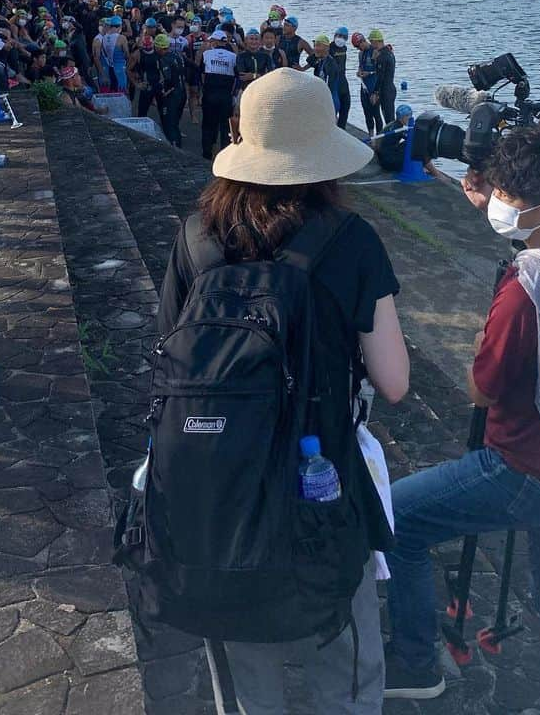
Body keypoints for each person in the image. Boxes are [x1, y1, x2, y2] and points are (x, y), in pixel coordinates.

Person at [156, 69, 411, 713]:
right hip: (317, 478)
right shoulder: (351, 241)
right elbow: (395, 381)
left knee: (246, 657)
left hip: (218, 485)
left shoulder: (195, 238)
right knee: (343, 655)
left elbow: (168, 354)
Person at [384, 128, 540, 711]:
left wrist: (485, 336)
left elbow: (480, 392)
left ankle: (413, 664)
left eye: (509, 195)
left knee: (396, 522)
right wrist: (490, 200)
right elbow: (539, 251)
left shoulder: (521, 293)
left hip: (524, 471)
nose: (499, 203)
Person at [199, 29, 237, 160]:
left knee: (208, 125)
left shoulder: (207, 54)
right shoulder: (233, 57)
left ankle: (206, 154)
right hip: (226, 96)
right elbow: (237, 76)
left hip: (210, 95)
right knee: (225, 127)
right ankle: (225, 155)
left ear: (215, 42)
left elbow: (201, 73)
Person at [153, 33, 187, 147]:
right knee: (175, 124)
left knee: (169, 125)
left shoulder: (164, 59)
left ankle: (174, 149)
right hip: (182, 93)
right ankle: (179, 147)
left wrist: (165, 91)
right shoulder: (177, 55)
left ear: (159, 47)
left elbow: (167, 79)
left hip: (172, 96)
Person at [354, 32, 382, 136]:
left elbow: (381, 71)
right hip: (364, 87)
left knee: (376, 113)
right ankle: (371, 136)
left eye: (358, 46)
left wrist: (369, 73)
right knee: (367, 113)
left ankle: (379, 137)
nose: (358, 49)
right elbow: (360, 66)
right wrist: (359, 72)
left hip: (374, 87)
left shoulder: (375, 51)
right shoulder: (361, 54)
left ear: (363, 41)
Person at [372, 31, 398, 126]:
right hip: (391, 88)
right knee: (390, 117)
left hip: (385, 91)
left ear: (376, 41)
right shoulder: (390, 52)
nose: (371, 44)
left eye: (371, 42)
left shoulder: (382, 56)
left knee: (389, 120)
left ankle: (392, 139)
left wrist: (375, 92)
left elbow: (380, 77)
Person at [330, 26, 352, 129]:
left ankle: (342, 130)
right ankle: (332, 128)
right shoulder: (329, 48)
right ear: (335, 36)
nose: (341, 38)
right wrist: (303, 68)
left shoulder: (344, 48)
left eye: (344, 37)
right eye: (339, 36)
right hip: (333, 82)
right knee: (334, 108)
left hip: (343, 80)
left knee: (346, 105)